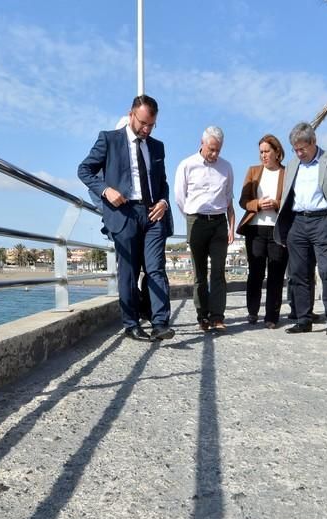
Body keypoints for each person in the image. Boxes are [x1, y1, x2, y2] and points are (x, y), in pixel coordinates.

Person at [78, 94, 174, 342]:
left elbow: (162, 183)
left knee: (156, 268)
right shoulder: (109, 139)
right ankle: (131, 324)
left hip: (153, 213)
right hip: (124, 213)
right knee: (129, 272)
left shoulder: (157, 147)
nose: (146, 129)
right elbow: (84, 169)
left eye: (151, 125)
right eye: (143, 123)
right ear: (131, 114)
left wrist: (163, 202)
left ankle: (160, 323)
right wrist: (105, 190)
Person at [275, 122, 327, 339]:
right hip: (297, 223)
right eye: (295, 149)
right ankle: (303, 320)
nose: (299, 153)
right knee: (298, 273)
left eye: (302, 148)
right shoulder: (293, 165)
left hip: (323, 219)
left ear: (314, 142)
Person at [174, 126, 236, 333]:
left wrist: (230, 226)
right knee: (199, 273)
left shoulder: (226, 167)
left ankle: (218, 316)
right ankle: (203, 316)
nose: (214, 154)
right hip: (196, 221)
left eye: (218, 150)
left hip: (219, 222)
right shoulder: (187, 165)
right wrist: (192, 217)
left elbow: (228, 198)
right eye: (211, 149)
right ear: (202, 143)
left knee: (218, 272)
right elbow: (179, 197)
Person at [237, 134, 287, 329]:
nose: (263, 156)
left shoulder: (287, 172)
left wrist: (276, 204)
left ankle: (272, 317)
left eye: (267, 151)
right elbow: (243, 201)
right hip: (255, 229)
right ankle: (252, 311)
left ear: (277, 152)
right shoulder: (253, 171)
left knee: (276, 274)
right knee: (255, 272)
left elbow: (292, 202)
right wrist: (257, 203)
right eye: (261, 152)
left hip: (277, 229)